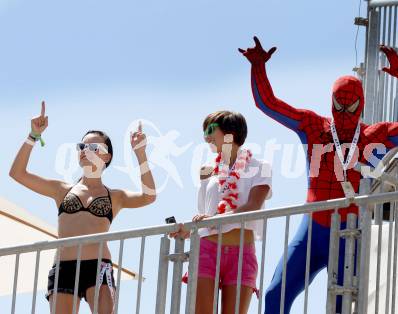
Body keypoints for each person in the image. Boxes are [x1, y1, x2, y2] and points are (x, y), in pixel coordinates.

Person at [239, 37, 398, 313]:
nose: (343, 113)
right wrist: (258, 67)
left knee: (341, 306)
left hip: (347, 232)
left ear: (361, 104)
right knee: (273, 296)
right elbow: (267, 103)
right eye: (338, 106)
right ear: (330, 101)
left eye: (351, 107)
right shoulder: (312, 126)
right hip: (312, 228)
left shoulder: (373, 136)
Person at [9, 102, 156, 314]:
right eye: (82, 147)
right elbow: (17, 173)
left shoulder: (115, 196)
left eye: (94, 148)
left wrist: (141, 155)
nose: (86, 151)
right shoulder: (61, 189)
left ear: (107, 157)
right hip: (64, 268)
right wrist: (33, 135)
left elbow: (149, 197)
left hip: (99, 267)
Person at [172, 110, 272, 314]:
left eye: (210, 130)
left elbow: (253, 206)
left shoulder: (261, 167)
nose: (206, 137)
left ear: (230, 132)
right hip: (207, 249)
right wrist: (188, 229)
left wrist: (215, 220)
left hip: (242, 252)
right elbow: (203, 213)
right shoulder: (206, 170)